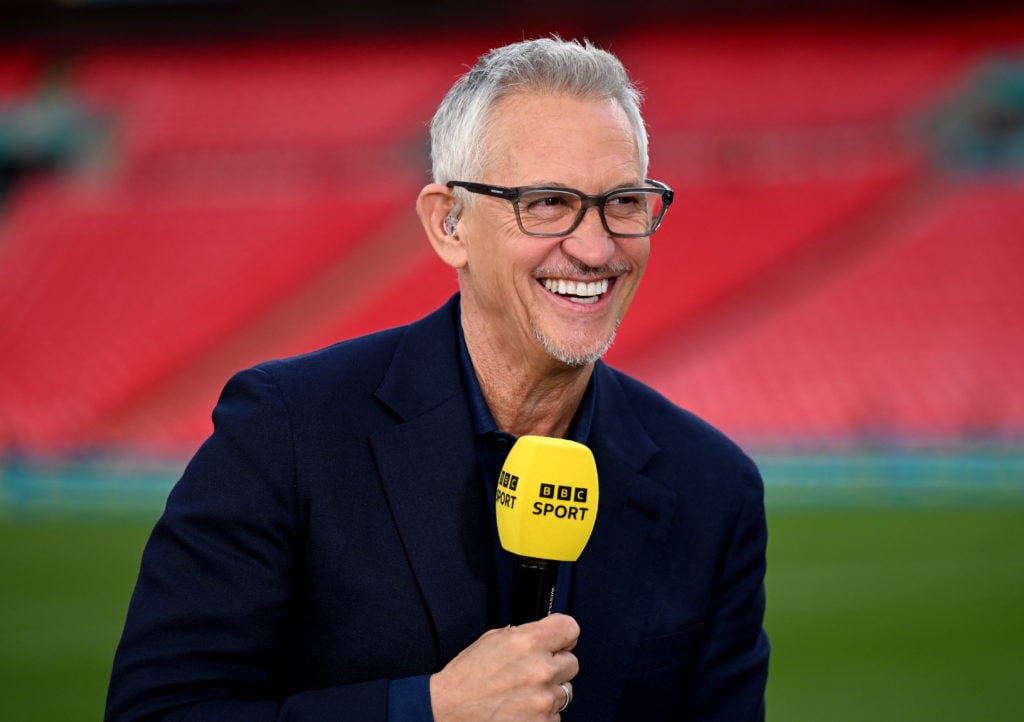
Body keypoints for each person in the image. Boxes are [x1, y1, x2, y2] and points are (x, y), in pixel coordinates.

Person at [105, 37, 769, 721]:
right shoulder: (286, 431)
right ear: (449, 223)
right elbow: (156, 713)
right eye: (546, 202)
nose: (597, 247)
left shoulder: (713, 490)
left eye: (624, 202)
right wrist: (426, 710)